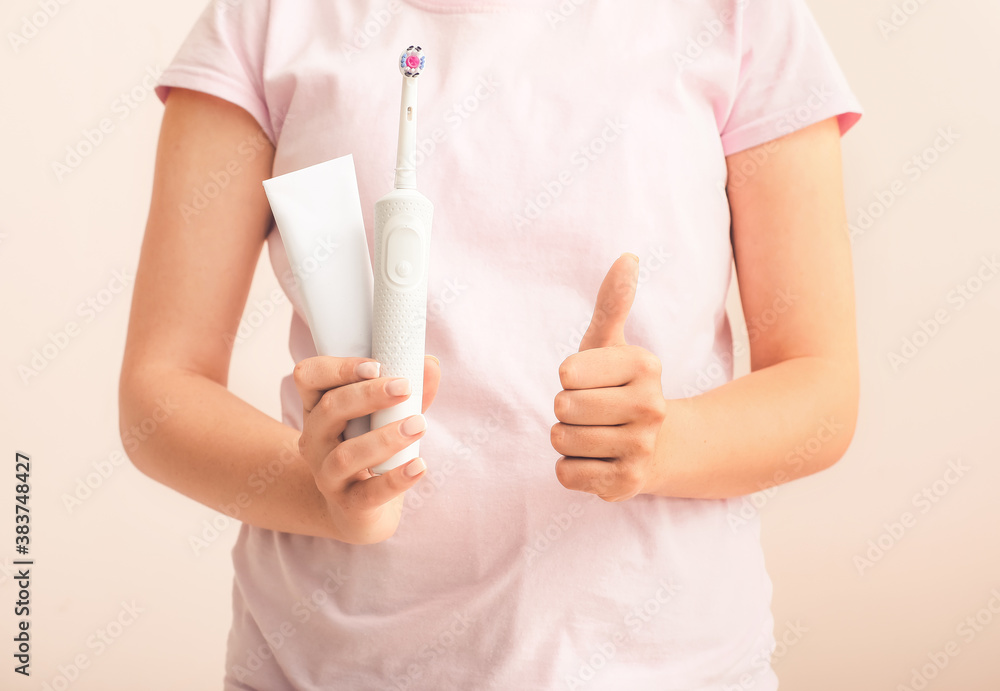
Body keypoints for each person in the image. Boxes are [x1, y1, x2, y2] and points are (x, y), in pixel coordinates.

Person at [118, 0, 863, 688]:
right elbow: (162, 386)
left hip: (668, 666)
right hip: (324, 667)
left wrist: (665, 441)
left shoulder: (740, 16)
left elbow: (821, 389)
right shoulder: (267, 18)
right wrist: (320, 491)